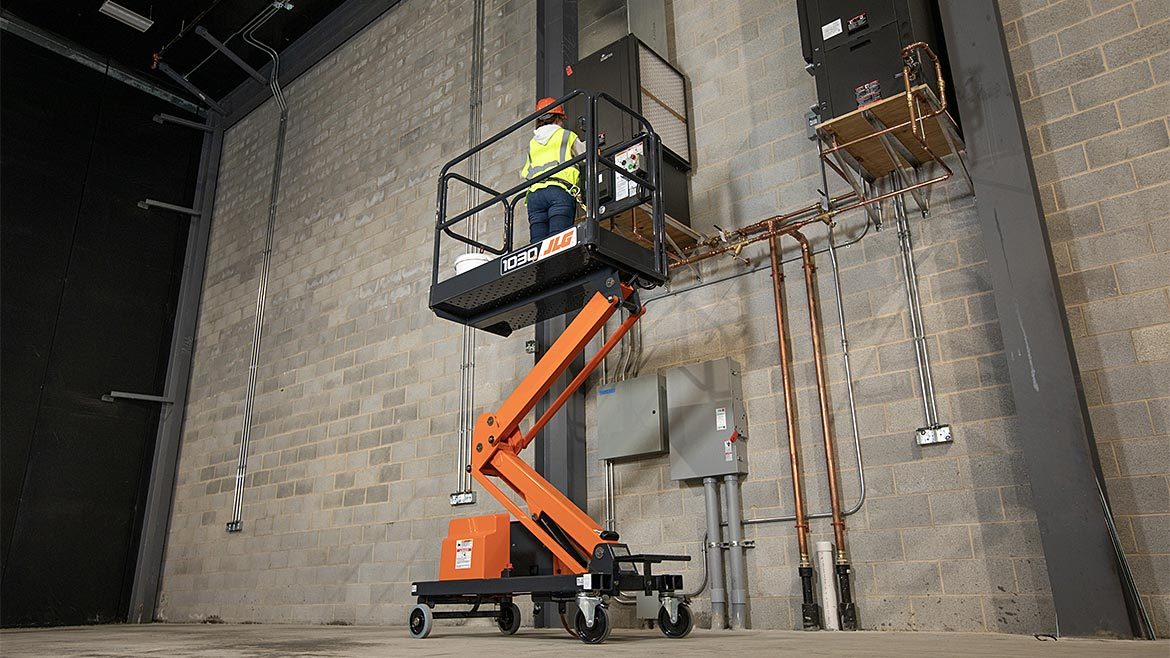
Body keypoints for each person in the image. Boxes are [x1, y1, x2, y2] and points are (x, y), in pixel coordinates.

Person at [520, 97, 585, 243]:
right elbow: (584, 156)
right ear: (559, 118)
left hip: (534, 197)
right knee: (557, 243)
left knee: (538, 246)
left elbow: (525, 173)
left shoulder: (532, 143)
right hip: (558, 192)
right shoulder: (566, 135)